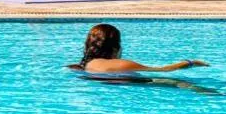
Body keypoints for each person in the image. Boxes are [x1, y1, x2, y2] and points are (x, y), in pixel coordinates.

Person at [69, 23, 208, 74]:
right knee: (180, 84)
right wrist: (190, 62)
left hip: (106, 82)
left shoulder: (77, 67)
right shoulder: (121, 64)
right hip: (124, 82)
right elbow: (163, 70)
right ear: (116, 47)